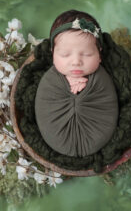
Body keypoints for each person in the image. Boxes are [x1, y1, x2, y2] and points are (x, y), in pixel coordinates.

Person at [34, 10, 119, 157]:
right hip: (57, 135)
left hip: (96, 133)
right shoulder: (49, 79)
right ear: (52, 53)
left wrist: (87, 90)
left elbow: (107, 102)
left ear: (99, 54)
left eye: (86, 54)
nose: (76, 62)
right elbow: (44, 102)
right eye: (65, 55)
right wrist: (66, 86)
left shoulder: (102, 77)